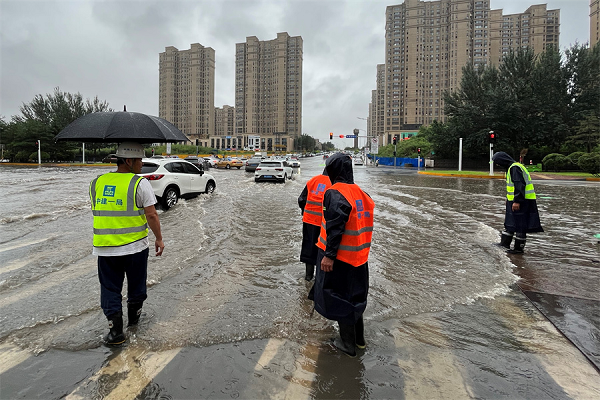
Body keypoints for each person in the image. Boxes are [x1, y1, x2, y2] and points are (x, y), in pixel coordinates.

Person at [90, 142, 164, 345]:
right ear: (129, 161)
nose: (142, 164)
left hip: (105, 247)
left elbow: (98, 210)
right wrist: (159, 238)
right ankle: (133, 322)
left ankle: (115, 333)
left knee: (110, 289)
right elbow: (152, 215)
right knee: (136, 285)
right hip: (135, 247)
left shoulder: (97, 182)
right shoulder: (139, 183)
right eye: (139, 160)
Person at [311, 153, 375, 357]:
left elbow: (335, 226)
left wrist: (329, 256)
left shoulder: (335, 193)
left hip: (340, 259)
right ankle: (359, 341)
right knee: (355, 300)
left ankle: (347, 344)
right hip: (359, 258)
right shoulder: (362, 193)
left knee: (339, 300)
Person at [492, 151, 543, 254]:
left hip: (523, 201)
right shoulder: (512, 167)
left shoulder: (515, 168)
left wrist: (517, 201)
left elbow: (519, 185)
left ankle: (518, 249)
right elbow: (512, 187)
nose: (498, 165)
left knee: (520, 224)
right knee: (511, 222)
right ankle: (505, 243)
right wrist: (509, 199)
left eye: (498, 163)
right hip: (515, 200)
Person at [298, 169, 331, 281]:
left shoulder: (313, 180)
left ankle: (308, 277)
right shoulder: (334, 183)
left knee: (309, 247)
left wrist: (305, 212)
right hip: (324, 224)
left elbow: (301, 199)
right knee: (323, 249)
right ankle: (319, 278)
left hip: (309, 221)